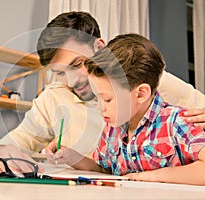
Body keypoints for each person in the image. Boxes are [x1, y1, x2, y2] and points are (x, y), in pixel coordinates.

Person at [0, 12, 205, 171]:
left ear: (99, 48)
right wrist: (1, 154)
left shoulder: (151, 82)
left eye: (77, 64)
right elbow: (8, 146)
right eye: (60, 73)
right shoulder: (52, 99)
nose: (71, 81)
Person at [49, 33, 205, 185]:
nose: (102, 108)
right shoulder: (112, 129)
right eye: (99, 98)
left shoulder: (176, 123)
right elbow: (105, 171)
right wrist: (72, 158)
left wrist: (157, 176)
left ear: (141, 94)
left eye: (108, 99)